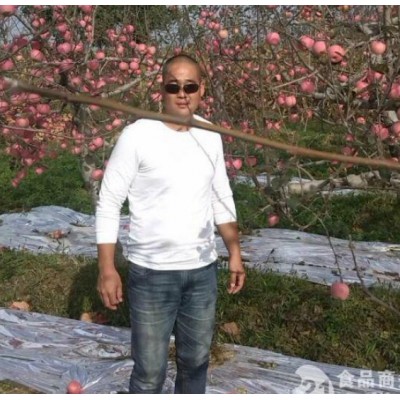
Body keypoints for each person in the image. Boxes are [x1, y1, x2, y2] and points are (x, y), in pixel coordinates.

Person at [95, 54, 245, 394]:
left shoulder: (210, 134)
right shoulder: (137, 136)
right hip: (152, 273)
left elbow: (220, 195)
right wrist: (107, 268)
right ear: (161, 89)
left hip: (201, 271)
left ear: (201, 89)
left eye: (189, 86)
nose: (182, 94)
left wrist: (234, 251)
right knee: (150, 372)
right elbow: (109, 202)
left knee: (196, 361)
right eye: (173, 86)